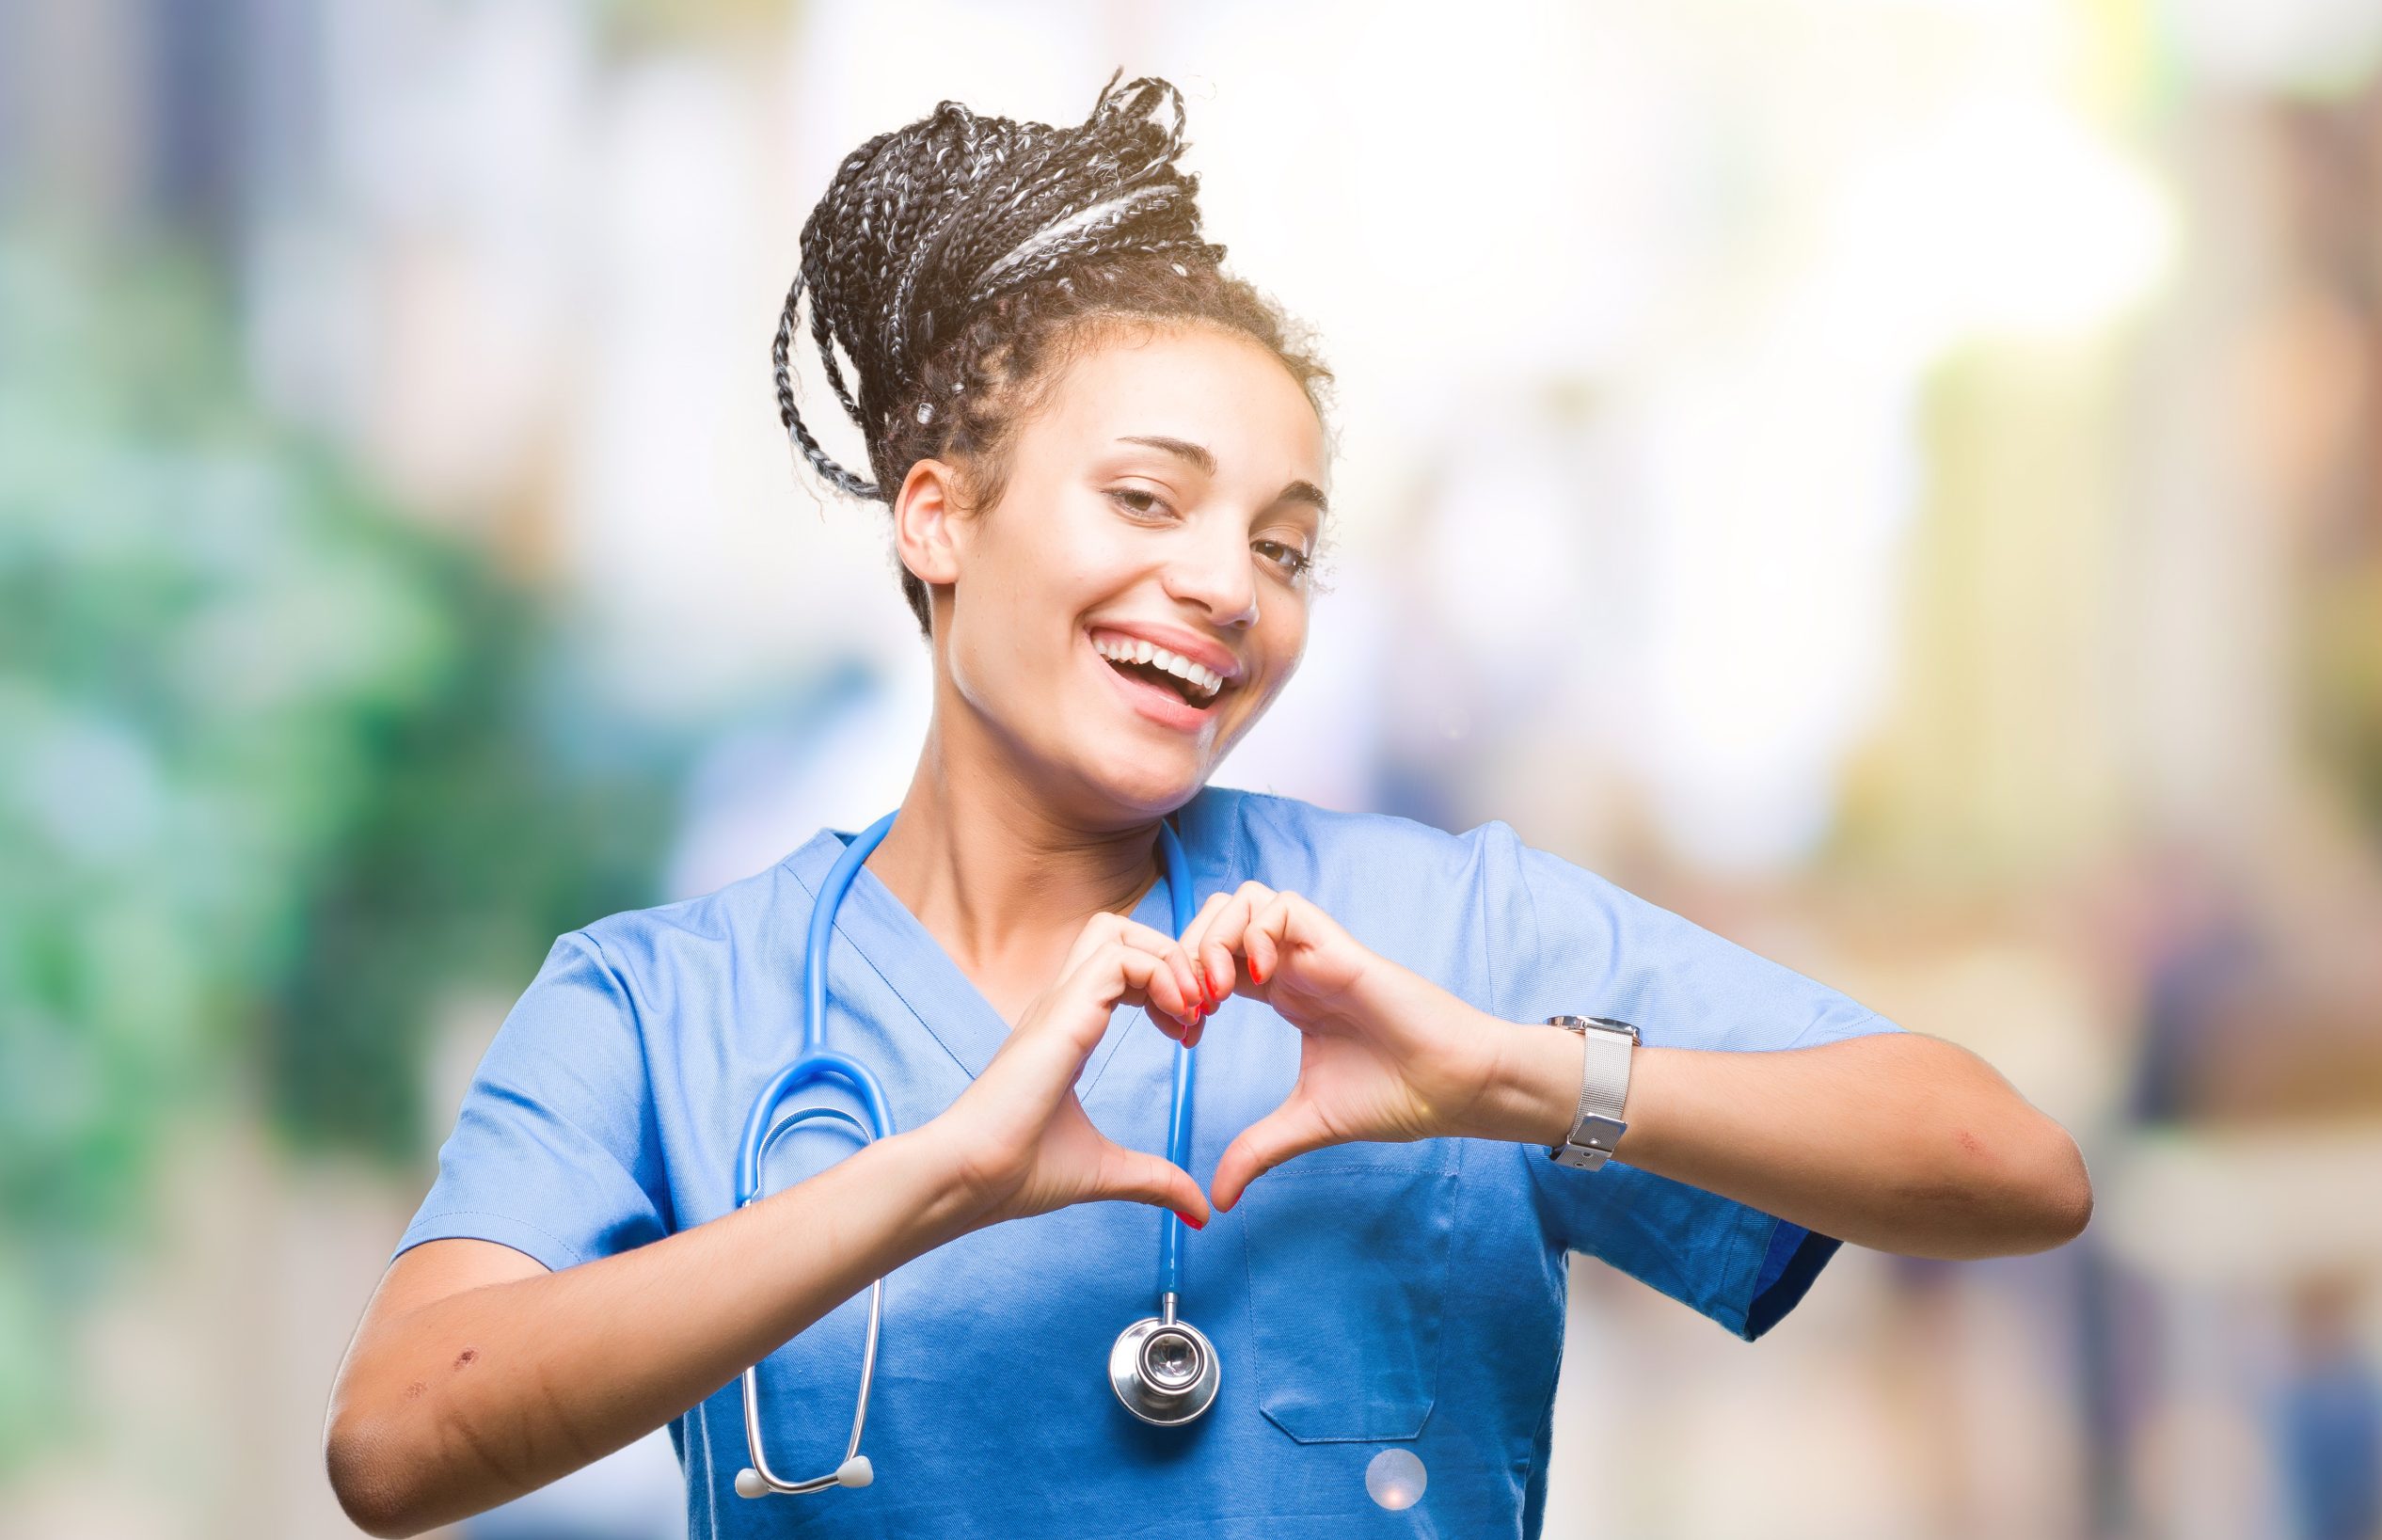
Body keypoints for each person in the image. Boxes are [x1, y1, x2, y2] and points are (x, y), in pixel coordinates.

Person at [324, 71, 2092, 1539]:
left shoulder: (1437, 936)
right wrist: (930, 1178)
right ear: (937, 518)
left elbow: (2010, 1167)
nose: (1230, 588)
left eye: (1284, 545)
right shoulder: (659, 1002)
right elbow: (398, 1443)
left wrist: (1508, 1075)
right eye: (1147, 498)